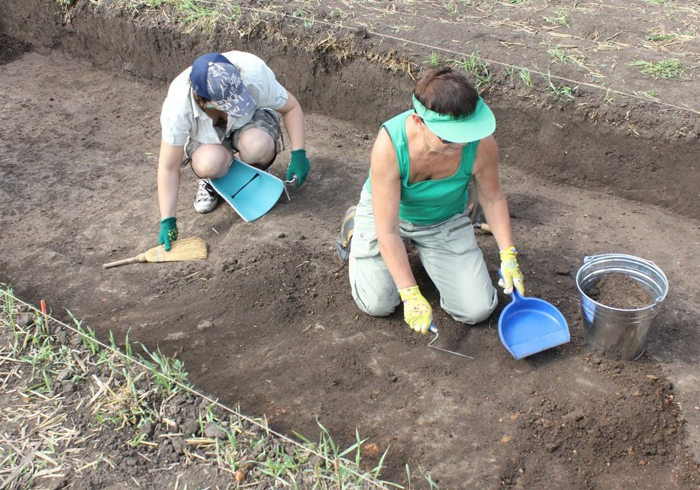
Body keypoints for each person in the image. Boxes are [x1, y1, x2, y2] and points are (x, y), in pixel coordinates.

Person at [337, 66, 524, 335]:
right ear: (418, 122)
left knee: (477, 310)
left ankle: (430, 251)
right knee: (377, 304)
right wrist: (410, 293)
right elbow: (387, 230)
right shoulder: (390, 146)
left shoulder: (481, 143)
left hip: (442, 219)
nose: (461, 145)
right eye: (449, 139)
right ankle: (356, 226)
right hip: (389, 218)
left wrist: (508, 254)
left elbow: (493, 198)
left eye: (466, 136)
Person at [157, 51, 310, 250]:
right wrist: (168, 219)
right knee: (209, 163)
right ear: (202, 100)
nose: (230, 111)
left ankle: (255, 169)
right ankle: (211, 181)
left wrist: (299, 153)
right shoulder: (178, 107)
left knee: (258, 146)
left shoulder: (253, 74)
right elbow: (169, 167)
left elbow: (290, 107)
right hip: (206, 138)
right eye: (224, 106)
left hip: (250, 123)